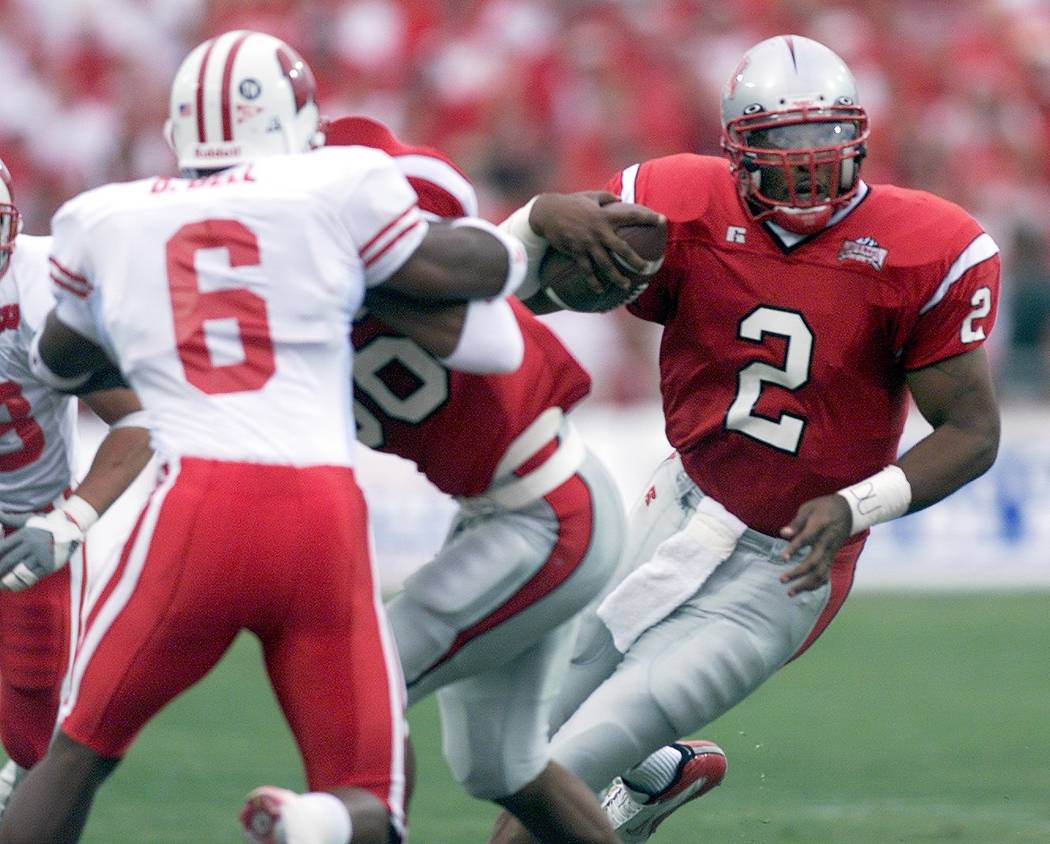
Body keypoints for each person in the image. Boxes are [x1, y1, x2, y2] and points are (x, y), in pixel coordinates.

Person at [0, 30, 534, 844]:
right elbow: (475, 272)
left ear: (180, 130)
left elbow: (61, 361)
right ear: (297, 121)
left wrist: (143, 326)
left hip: (197, 504)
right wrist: (519, 239)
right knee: (371, 799)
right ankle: (312, 821)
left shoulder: (106, 216)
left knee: (76, 755)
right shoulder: (338, 183)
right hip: (320, 509)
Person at [491, 34, 1001, 843]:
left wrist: (855, 505)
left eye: (824, 136)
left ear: (860, 137)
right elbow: (522, 291)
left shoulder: (924, 246)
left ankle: (631, 772)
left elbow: (972, 432)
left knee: (559, 768)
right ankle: (657, 775)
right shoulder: (677, 202)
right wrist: (534, 222)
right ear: (737, 148)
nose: (807, 162)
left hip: (785, 569)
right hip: (676, 504)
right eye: (783, 140)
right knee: (511, 741)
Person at [326, 115, 656, 844]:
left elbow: (495, 287)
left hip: (547, 512)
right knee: (498, 765)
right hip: (509, 511)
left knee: (363, 682)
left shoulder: (411, 266)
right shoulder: (300, 297)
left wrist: (538, 216)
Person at [0, 157, 152, 819]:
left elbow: (141, 419)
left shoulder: (41, 293)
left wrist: (71, 518)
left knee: (34, 744)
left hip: (21, 533)